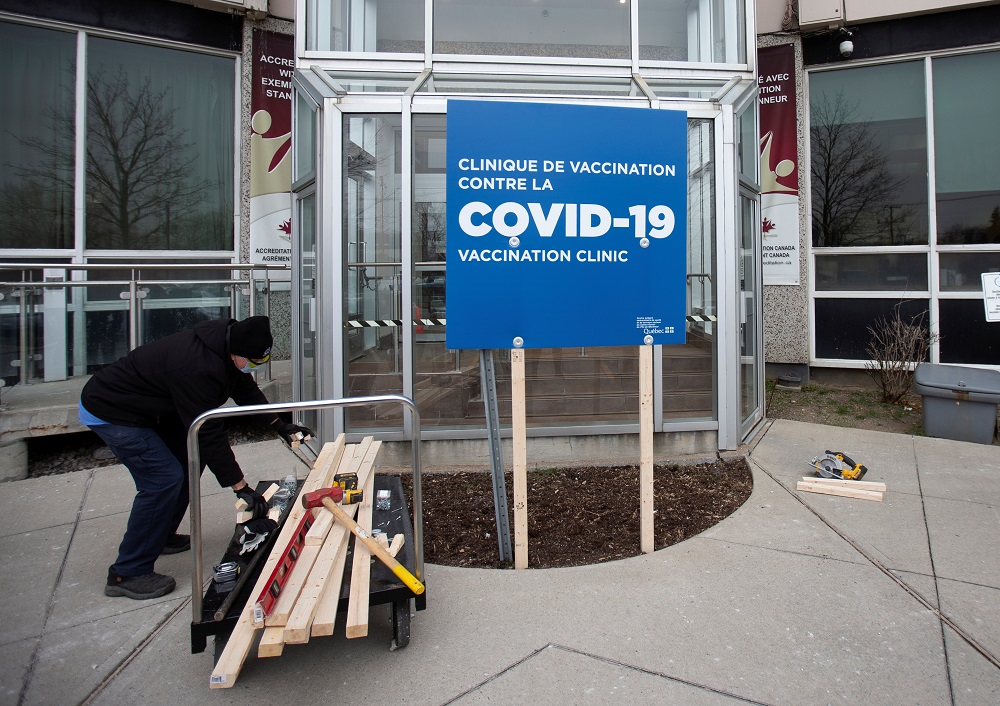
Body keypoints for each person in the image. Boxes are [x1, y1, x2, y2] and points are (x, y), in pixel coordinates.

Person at [79, 316, 312, 600]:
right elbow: (208, 432)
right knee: (163, 479)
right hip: (113, 410)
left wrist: (280, 424)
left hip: (154, 405)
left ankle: (159, 532)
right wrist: (240, 487)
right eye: (251, 361)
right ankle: (127, 571)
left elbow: (244, 389)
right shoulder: (197, 367)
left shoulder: (226, 345)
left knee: (187, 463)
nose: (252, 367)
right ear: (235, 351)